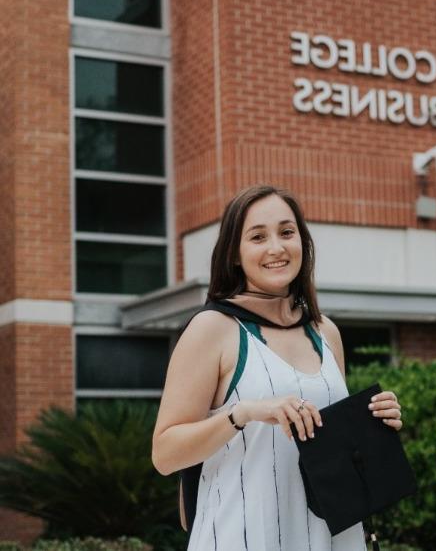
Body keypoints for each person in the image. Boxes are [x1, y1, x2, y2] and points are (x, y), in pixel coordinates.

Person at [152, 184, 403, 551]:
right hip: (244, 536)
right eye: (257, 237)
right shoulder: (213, 329)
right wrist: (244, 413)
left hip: (331, 537)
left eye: (287, 232)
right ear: (235, 254)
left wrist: (376, 420)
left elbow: (332, 450)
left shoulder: (325, 332)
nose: (276, 248)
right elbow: (165, 454)